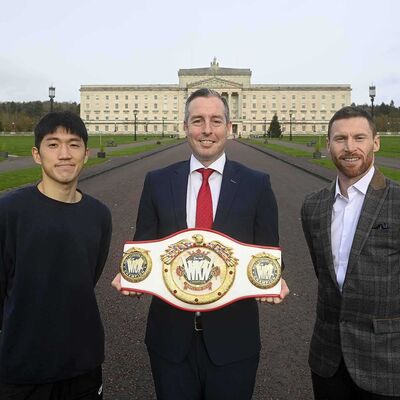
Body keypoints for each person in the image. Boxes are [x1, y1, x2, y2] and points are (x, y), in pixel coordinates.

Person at [112, 88, 289, 400]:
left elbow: (268, 251)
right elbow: (144, 246)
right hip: (170, 340)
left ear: (229, 128)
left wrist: (273, 278)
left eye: (216, 121)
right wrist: (132, 274)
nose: (207, 130)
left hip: (234, 340)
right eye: (198, 121)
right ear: (185, 127)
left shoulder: (257, 183)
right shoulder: (157, 180)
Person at [0, 111, 112, 400]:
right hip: (23, 368)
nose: (64, 154)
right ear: (37, 155)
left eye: (73, 144)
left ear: (86, 154)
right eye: (53, 144)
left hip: (84, 365)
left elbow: (90, 275)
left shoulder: (99, 214)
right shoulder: (9, 211)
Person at [301, 106, 400, 399]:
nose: (350, 147)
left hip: (386, 360)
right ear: (329, 143)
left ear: (376, 142)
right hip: (327, 358)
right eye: (341, 139)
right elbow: (325, 273)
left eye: (359, 137)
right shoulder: (313, 206)